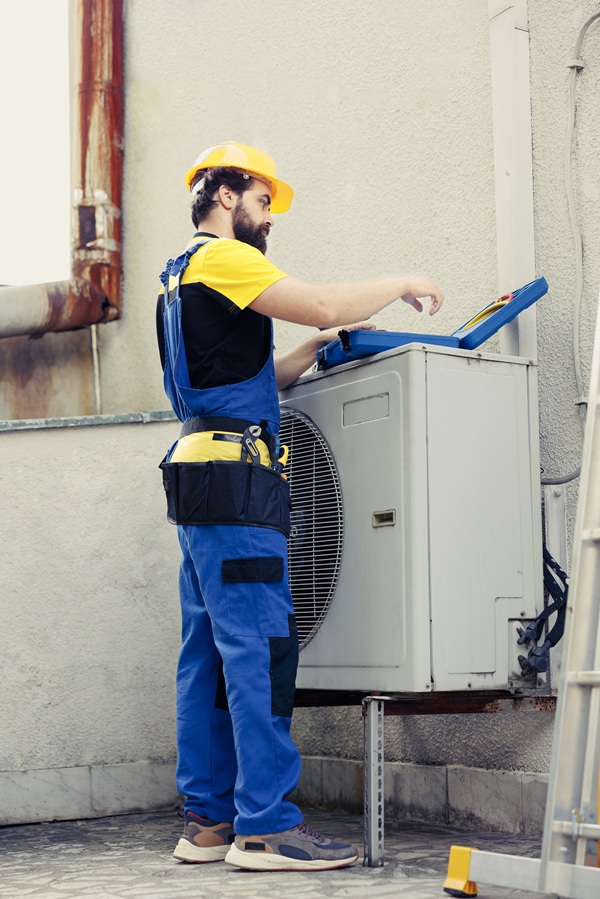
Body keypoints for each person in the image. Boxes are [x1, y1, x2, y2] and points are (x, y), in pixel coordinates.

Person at [156, 141, 444, 872]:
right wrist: (402, 279)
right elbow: (317, 298)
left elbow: (243, 377)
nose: (269, 220)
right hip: (239, 482)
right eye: (262, 200)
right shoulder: (224, 259)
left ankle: (208, 823)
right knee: (261, 651)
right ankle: (268, 827)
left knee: (209, 661)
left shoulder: (178, 274)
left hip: (200, 473)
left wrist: (309, 349)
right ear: (225, 195)